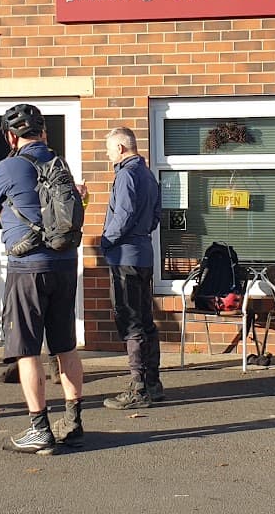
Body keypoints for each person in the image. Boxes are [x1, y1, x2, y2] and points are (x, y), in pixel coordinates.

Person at [0, 104, 85, 455]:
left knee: (26, 350)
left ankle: (39, 429)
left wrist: (7, 207)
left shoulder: (9, 166)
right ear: (45, 133)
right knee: (65, 345)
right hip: (65, 263)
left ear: (11, 136)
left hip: (28, 268)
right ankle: (73, 420)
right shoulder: (59, 164)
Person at [97, 127, 165, 409]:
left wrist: (105, 242)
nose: (108, 155)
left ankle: (138, 389)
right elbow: (155, 217)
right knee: (146, 320)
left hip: (124, 257)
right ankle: (153, 383)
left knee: (130, 321)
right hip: (144, 255)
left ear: (122, 148)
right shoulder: (149, 175)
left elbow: (122, 215)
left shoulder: (125, 174)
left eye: (110, 150)